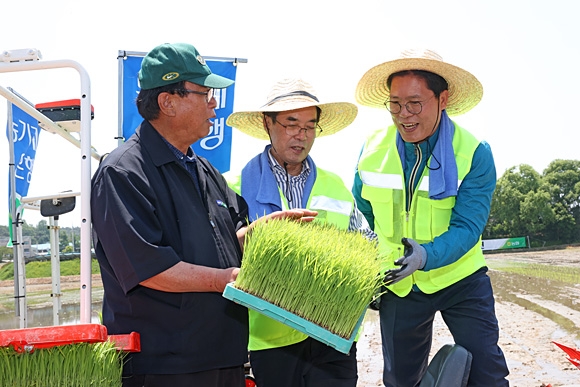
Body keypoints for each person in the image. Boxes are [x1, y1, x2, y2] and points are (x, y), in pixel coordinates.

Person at [90, 43, 315, 387]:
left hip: (223, 357)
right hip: (165, 366)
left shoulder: (205, 170)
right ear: (168, 102)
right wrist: (222, 279)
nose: (214, 104)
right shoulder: (122, 173)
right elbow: (148, 268)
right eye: (205, 93)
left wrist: (263, 233)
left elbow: (230, 240)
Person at [352, 49, 510, 387]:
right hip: (399, 281)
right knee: (400, 379)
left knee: (488, 373)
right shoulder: (371, 150)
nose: (403, 115)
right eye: (394, 104)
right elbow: (364, 206)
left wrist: (426, 255)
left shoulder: (474, 152)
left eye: (414, 103)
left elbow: (468, 226)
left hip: (461, 280)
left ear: (443, 99)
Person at [226, 78, 377, 387]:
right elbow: (218, 257)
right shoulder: (234, 187)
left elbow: (367, 244)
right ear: (268, 123)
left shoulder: (335, 185)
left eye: (310, 126)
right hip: (267, 344)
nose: (301, 135)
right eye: (291, 124)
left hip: (333, 338)